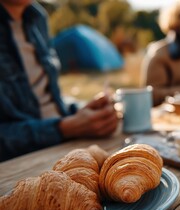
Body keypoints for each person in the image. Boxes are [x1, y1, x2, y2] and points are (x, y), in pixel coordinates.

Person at [0, 0, 119, 162]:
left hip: (66, 144)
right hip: (23, 160)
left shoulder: (37, 17)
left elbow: (47, 99)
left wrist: (81, 111)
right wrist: (65, 128)